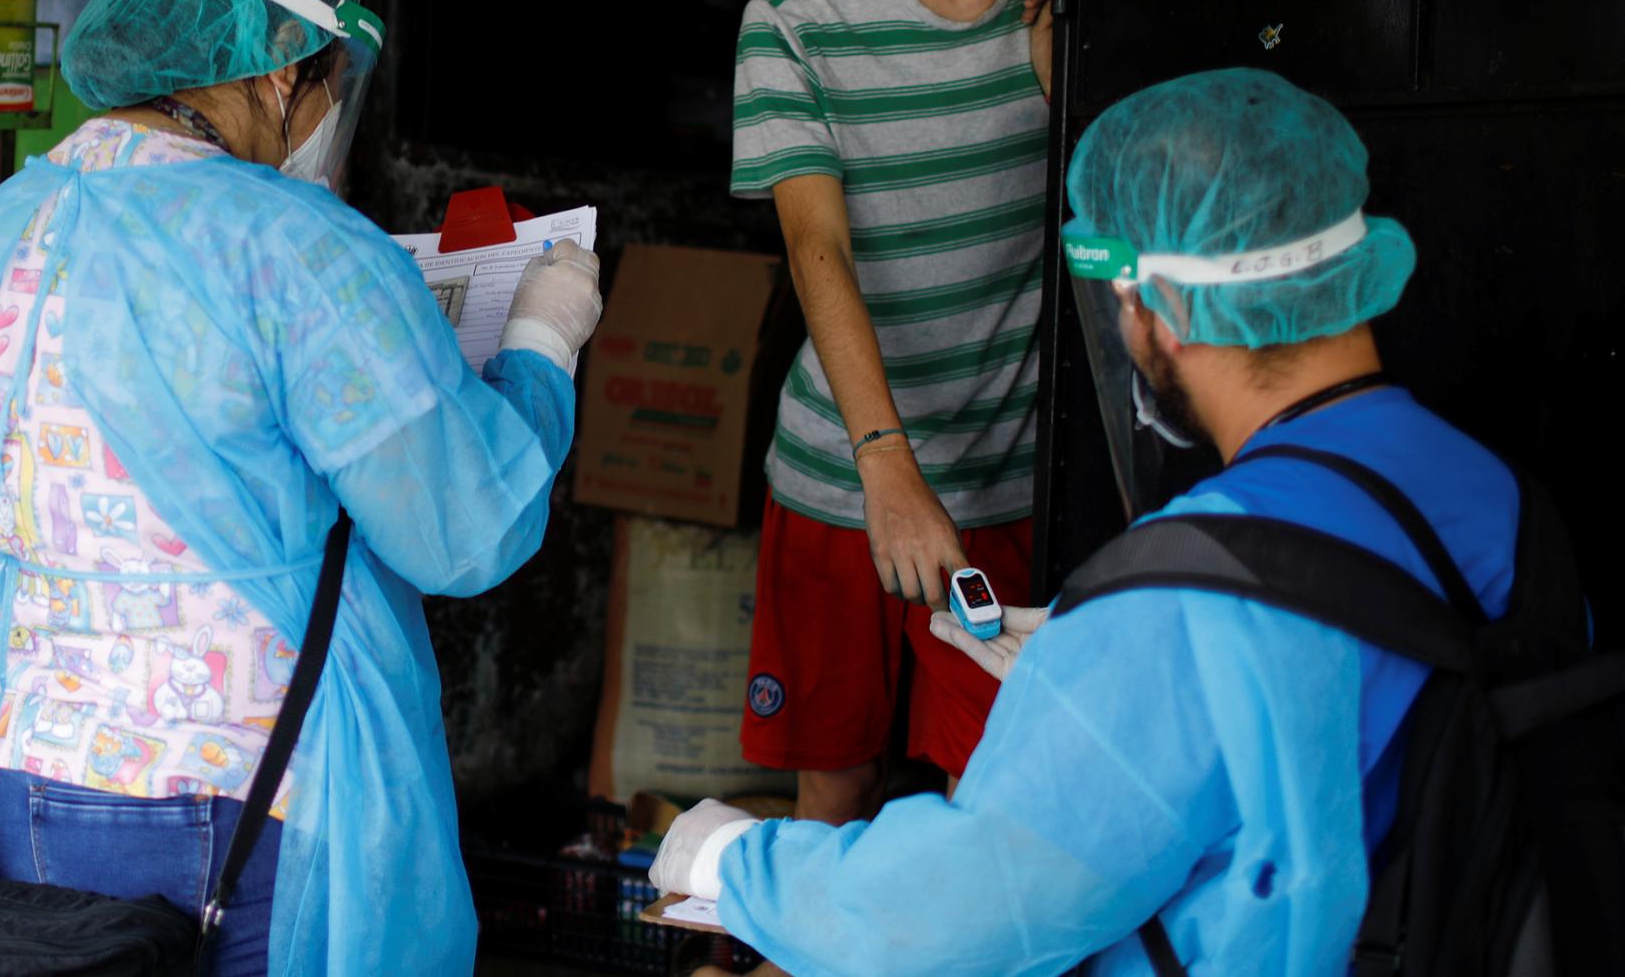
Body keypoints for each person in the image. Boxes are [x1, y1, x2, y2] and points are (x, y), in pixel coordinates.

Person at [0, 0, 604, 976]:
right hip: (212, 796)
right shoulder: (295, 243)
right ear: (275, 71)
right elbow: (464, 530)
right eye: (328, 91)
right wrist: (541, 344)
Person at [651, 68, 1520, 975]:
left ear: (1164, 307)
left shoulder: (1179, 600)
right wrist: (1090, 654)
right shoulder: (1497, 496)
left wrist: (732, 860)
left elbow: (955, 921)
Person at [728, 0, 1056, 820]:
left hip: (1013, 477)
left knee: (1003, 792)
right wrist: (884, 468)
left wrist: (1074, 96)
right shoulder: (792, 23)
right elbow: (815, 246)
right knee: (839, 784)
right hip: (840, 480)